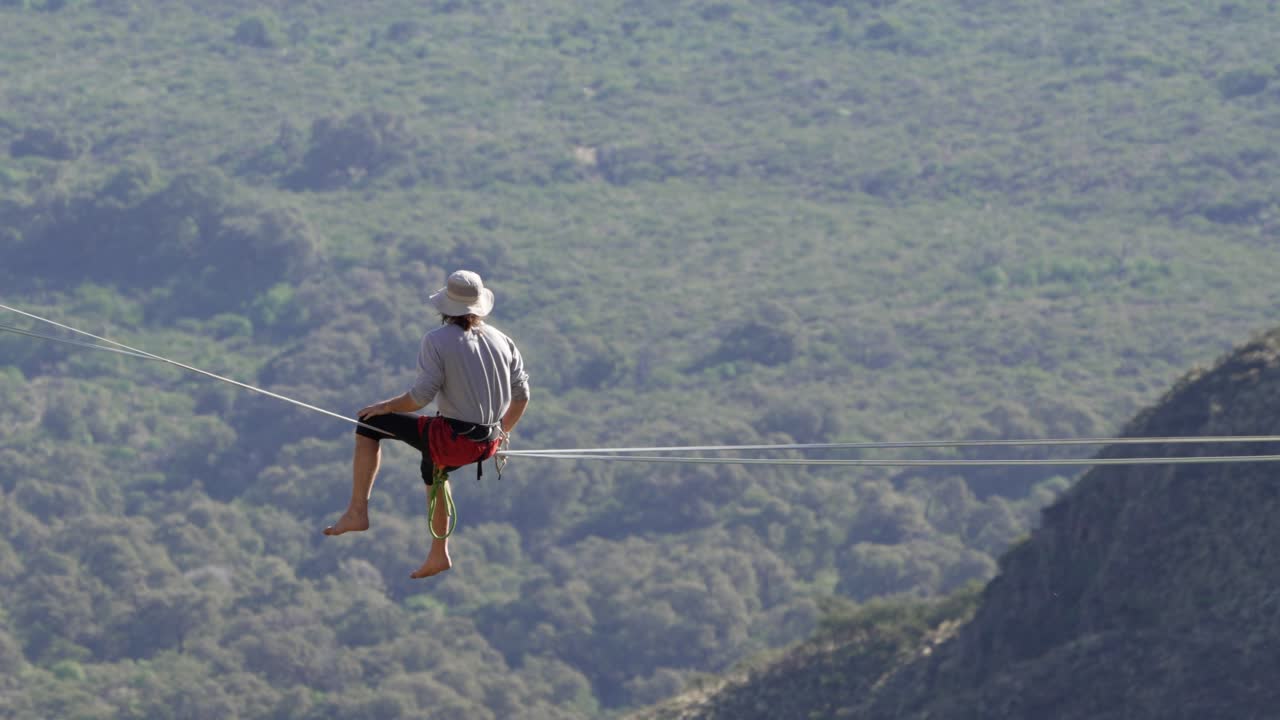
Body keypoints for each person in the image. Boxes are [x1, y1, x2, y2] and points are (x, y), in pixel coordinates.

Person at [324, 269, 530, 579]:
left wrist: (386, 406)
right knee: (433, 467)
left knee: (370, 425)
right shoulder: (502, 340)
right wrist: (502, 435)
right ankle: (439, 554)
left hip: (453, 441)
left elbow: (421, 397)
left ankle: (357, 511)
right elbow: (522, 396)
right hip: (485, 445)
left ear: (445, 307)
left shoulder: (437, 340)